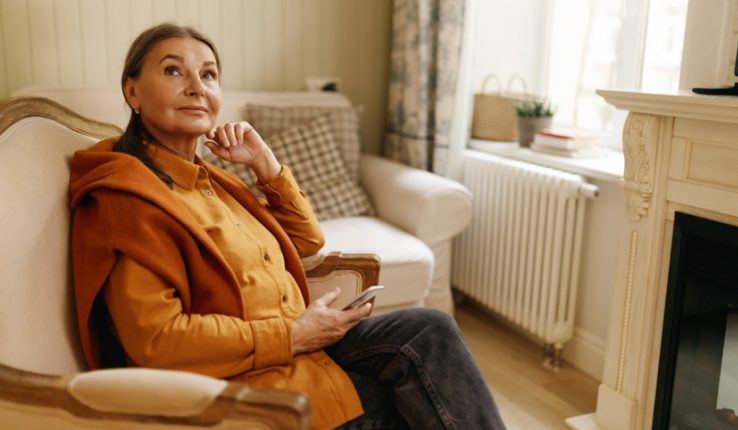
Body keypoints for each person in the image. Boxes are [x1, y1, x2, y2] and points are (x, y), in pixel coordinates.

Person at [69, 22, 505, 430]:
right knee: (418, 401)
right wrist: (293, 335)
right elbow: (158, 342)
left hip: (299, 345)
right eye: (172, 70)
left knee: (431, 329)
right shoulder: (127, 197)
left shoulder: (210, 177)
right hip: (247, 381)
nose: (196, 87)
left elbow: (306, 241)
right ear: (133, 91)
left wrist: (265, 164)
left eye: (208, 74)